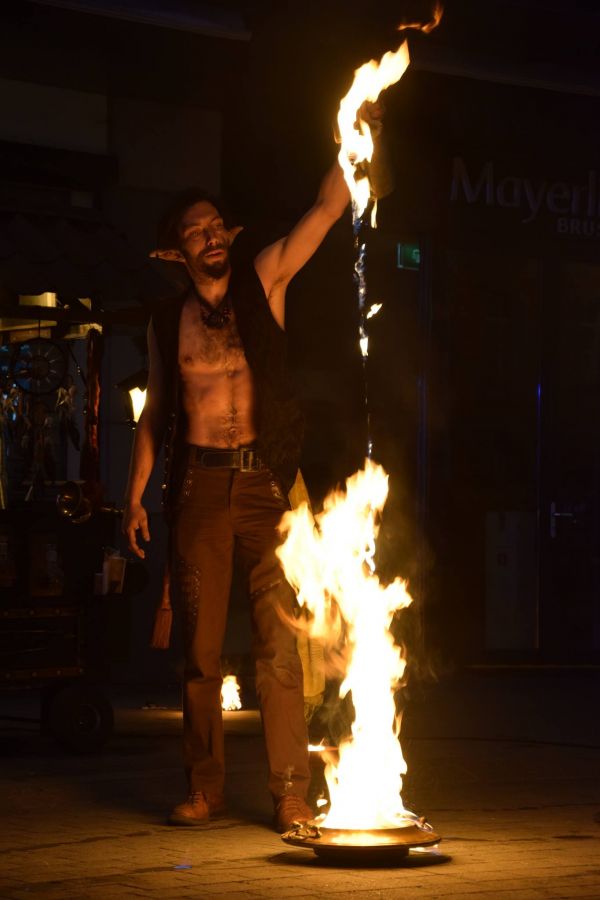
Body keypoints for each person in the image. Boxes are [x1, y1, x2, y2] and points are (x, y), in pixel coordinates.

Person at [122, 107, 388, 832]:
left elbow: (325, 211)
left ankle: (290, 793)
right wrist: (134, 498)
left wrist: (354, 132)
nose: (211, 236)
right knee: (201, 652)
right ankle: (205, 788)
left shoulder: (265, 280)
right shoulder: (163, 321)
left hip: (268, 485)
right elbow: (154, 416)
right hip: (199, 489)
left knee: (278, 649)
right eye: (195, 231)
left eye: (216, 226)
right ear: (178, 253)